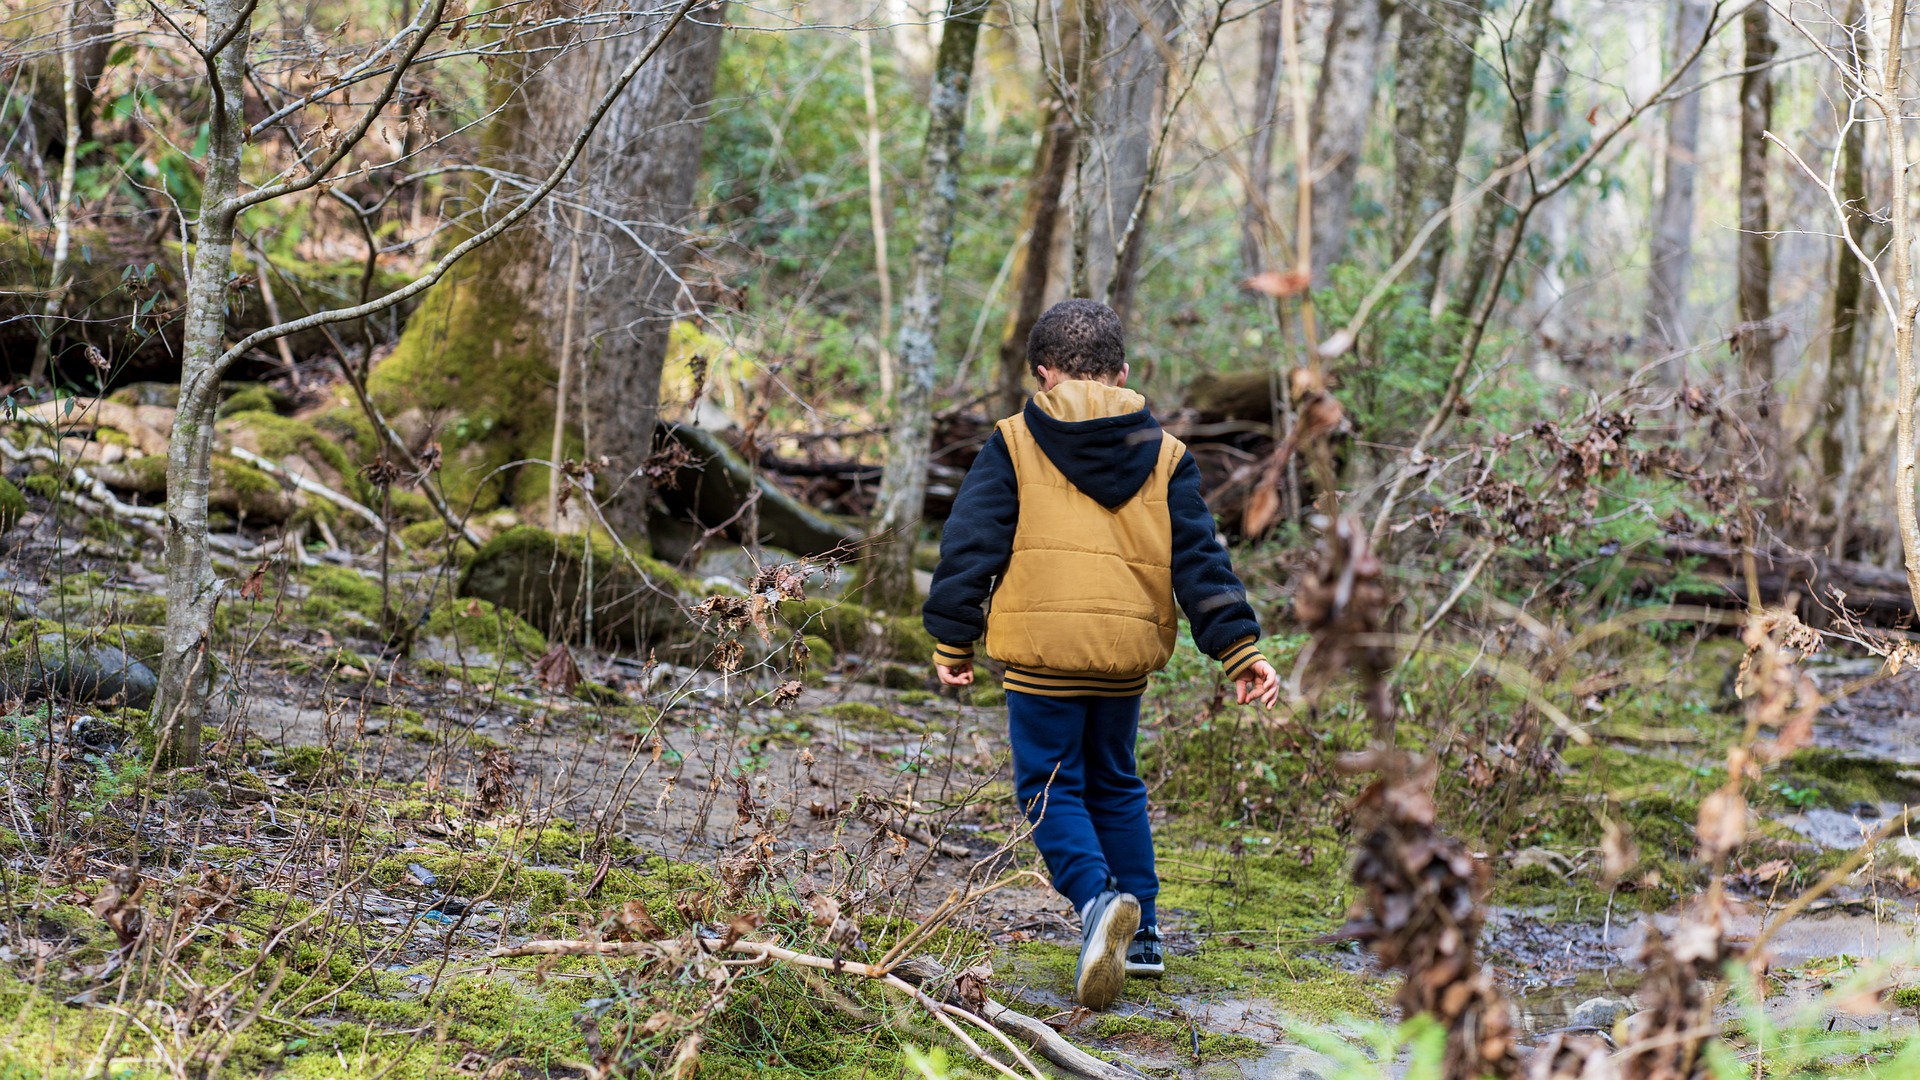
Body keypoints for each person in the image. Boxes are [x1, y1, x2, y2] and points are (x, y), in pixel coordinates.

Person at [922, 298, 1280, 1010]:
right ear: (1123, 372)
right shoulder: (1168, 455)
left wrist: (951, 637)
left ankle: (1095, 904)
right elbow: (1200, 564)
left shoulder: (1015, 441)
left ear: (1043, 373)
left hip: (1041, 657)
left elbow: (971, 544)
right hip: (1123, 659)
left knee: (1048, 788)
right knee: (1116, 783)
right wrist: (1240, 652)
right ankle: (1141, 936)